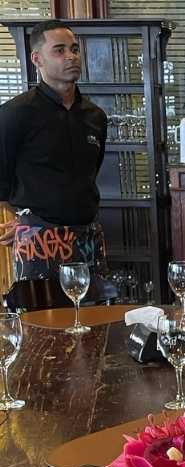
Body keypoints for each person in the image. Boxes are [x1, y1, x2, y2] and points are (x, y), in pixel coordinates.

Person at [0, 19, 110, 294]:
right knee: (41, 328)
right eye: (59, 50)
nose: (71, 56)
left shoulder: (96, 116)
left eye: (74, 49)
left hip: (88, 235)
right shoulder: (15, 114)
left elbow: (87, 174)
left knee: (93, 324)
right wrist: (27, 220)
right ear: (37, 59)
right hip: (37, 239)